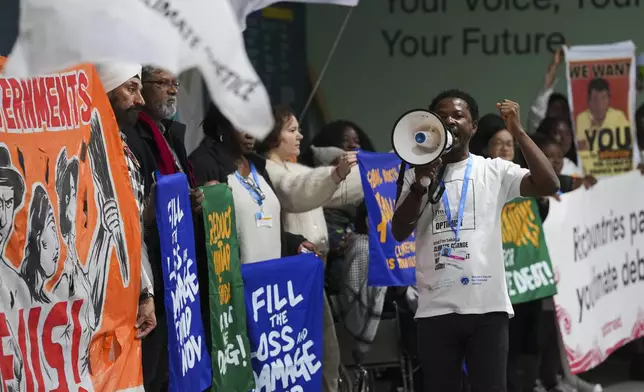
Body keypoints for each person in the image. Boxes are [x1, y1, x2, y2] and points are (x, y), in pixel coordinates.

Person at [391, 90, 559, 392]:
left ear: (474, 126)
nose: (450, 121)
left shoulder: (493, 170)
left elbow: (549, 182)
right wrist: (419, 185)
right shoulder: (415, 173)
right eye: (441, 117)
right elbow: (399, 232)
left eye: (458, 116)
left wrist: (517, 131)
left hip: (486, 310)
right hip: (435, 310)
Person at [259, 105, 364, 392]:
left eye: (299, 130)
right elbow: (297, 190)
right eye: (292, 130)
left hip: (316, 272)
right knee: (310, 355)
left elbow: (339, 190)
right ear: (271, 136)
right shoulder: (267, 171)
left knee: (327, 354)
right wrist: (335, 173)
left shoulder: (295, 168)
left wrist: (382, 172)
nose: (300, 136)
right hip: (293, 278)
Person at [94, 61, 159, 380]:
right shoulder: (86, 148)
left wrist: (145, 292)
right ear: (105, 90)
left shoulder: (126, 148)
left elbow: (130, 232)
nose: (141, 100)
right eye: (130, 89)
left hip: (127, 296)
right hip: (96, 302)